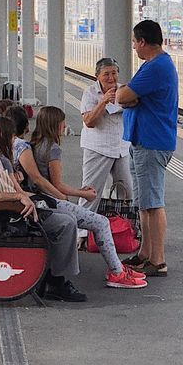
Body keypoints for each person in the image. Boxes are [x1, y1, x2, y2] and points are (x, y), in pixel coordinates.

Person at [0, 109, 86, 302]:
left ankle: (50, 275)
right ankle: (55, 281)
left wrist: (24, 196)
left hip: (10, 209)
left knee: (65, 216)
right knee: (66, 224)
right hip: (4, 217)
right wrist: (19, 196)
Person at [14, 106, 146, 290]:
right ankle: (117, 272)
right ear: (57, 125)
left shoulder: (35, 144)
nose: (65, 125)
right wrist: (83, 194)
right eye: (63, 122)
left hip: (39, 199)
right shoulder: (52, 149)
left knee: (97, 222)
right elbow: (57, 186)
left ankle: (118, 268)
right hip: (48, 201)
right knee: (101, 222)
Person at [116, 20, 179, 278]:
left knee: (153, 203)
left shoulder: (156, 67)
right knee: (143, 203)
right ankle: (145, 253)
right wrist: (132, 97)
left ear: (142, 42)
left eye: (134, 42)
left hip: (152, 142)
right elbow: (129, 96)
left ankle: (158, 260)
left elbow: (121, 96)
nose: (133, 46)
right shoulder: (154, 65)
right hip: (144, 141)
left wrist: (129, 97)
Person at [79, 56, 134, 211]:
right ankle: (83, 232)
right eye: (106, 74)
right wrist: (103, 101)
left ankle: (128, 229)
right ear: (97, 76)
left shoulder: (124, 91)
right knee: (90, 192)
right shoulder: (90, 93)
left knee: (128, 193)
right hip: (97, 148)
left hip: (121, 149)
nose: (111, 77)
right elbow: (89, 122)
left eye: (114, 73)